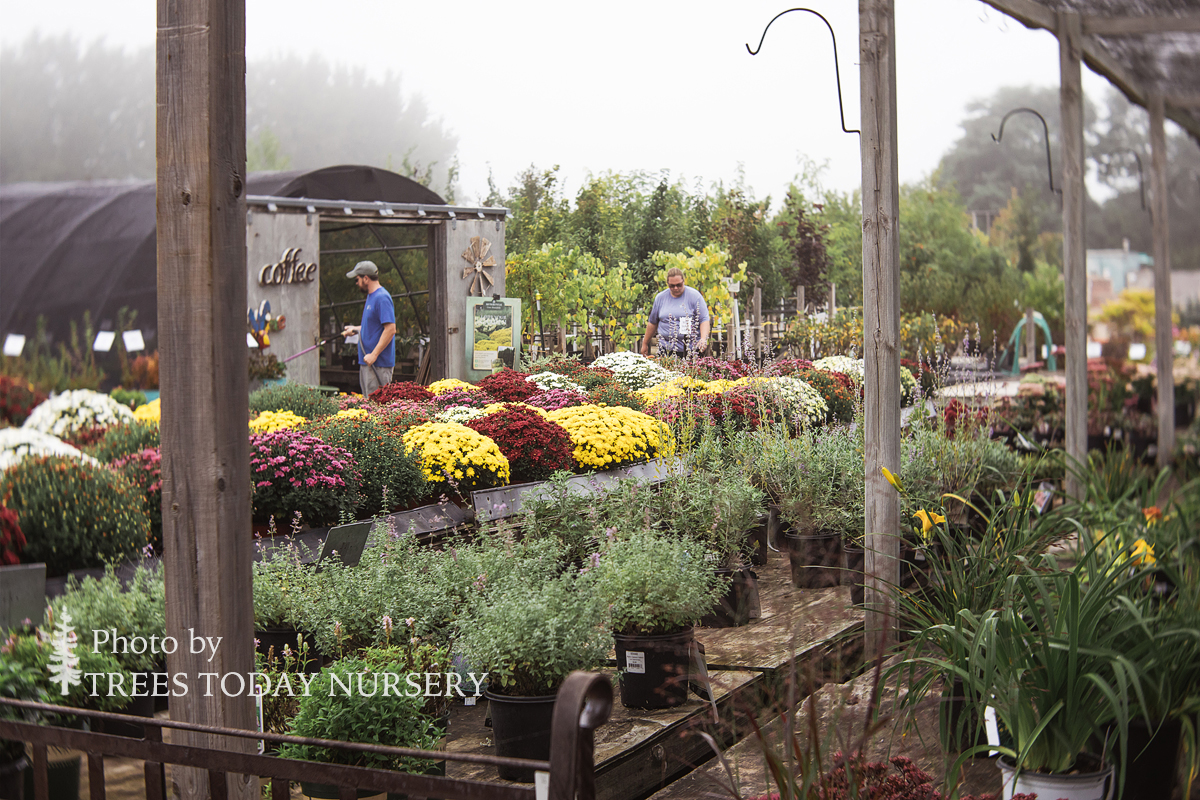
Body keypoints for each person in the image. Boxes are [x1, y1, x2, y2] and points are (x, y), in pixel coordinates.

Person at [341, 261, 396, 396]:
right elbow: (373, 326)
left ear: (366, 278)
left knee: (377, 408)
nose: (356, 282)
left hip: (378, 364)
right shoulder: (371, 297)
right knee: (369, 406)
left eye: (357, 279)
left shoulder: (382, 297)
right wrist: (354, 329)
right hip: (368, 363)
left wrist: (374, 354)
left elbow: (390, 329)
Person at [640, 267, 710, 357]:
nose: (676, 288)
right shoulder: (660, 298)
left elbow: (704, 319)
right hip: (666, 350)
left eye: (679, 285)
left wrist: (703, 339)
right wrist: (645, 343)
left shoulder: (695, 296)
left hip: (691, 350)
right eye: (672, 286)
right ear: (667, 284)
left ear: (683, 281)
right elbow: (652, 323)